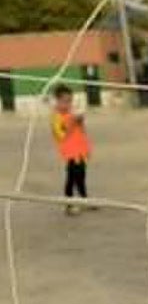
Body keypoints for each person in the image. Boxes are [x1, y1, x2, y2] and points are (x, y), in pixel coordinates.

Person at [49, 83, 91, 216]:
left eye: (70, 101)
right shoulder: (56, 117)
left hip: (80, 150)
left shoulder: (71, 114)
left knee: (81, 176)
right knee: (71, 178)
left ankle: (85, 201)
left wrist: (81, 121)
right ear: (58, 101)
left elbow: (82, 131)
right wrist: (73, 123)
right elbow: (61, 136)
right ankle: (69, 205)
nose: (68, 104)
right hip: (70, 152)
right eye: (65, 101)